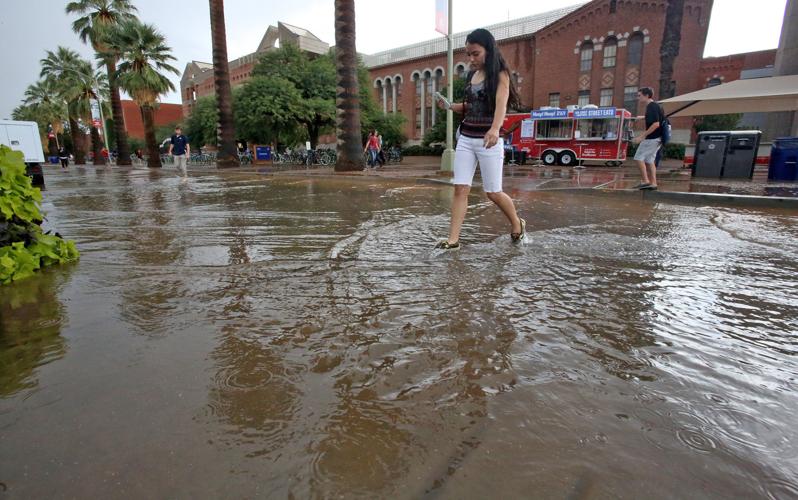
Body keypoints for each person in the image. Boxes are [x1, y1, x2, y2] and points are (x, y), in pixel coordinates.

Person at [434, 28, 525, 250]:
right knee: (460, 188)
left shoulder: (500, 74)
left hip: (489, 140)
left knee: (493, 192)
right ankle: (453, 240)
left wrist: (495, 129)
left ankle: (517, 223)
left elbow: (501, 104)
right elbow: (471, 105)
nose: (471, 58)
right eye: (468, 54)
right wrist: (449, 106)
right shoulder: (470, 76)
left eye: (475, 53)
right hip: (466, 137)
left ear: (488, 50)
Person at [631, 87, 664, 190]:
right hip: (658, 138)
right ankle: (653, 183)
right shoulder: (656, 106)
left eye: (639, 95)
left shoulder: (651, 106)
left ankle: (645, 181)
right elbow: (657, 118)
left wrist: (642, 136)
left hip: (652, 138)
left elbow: (656, 124)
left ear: (646, 95)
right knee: (650, 160)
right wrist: (643, 117)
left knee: (638, 157)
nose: (638, 97)